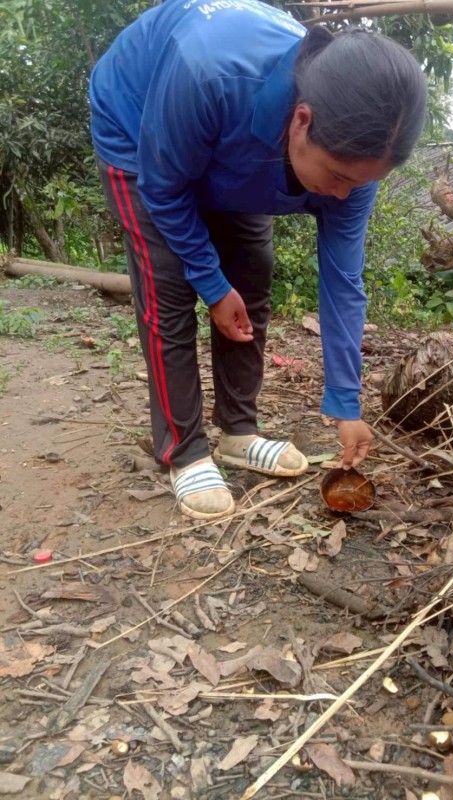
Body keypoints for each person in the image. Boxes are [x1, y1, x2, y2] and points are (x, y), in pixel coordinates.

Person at [89, 0, 427, 521]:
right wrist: (210, 283)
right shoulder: (207, 71)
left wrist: (345, 402)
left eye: (360, 182)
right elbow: (165, 188)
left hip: (232, 138)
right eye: (336, 175)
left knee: (251, 273)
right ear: (301, 120)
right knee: (171, 287)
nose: (342, 195)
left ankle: (238, 432)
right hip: (140, 133)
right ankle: (185, 449)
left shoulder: (352, 171)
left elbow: (343, 280)